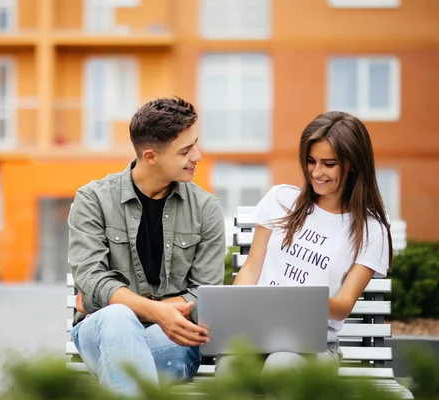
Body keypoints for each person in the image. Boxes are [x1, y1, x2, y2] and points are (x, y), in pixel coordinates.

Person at [68, 96, 226, 396]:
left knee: (118, 323)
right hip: (100, 332)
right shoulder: (93, 200)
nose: (198, 155)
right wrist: (160, 311)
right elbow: (92, 280)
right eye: (186, 150)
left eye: (196, 144)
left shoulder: (206, 208)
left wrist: (119, 303)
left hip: (174, 342)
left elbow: (204, 294)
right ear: (151, 156)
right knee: (117, 319)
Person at [219, 111, 393, 378]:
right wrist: (237, 310)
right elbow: (251, 271)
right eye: (311, 161)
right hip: (258, 331)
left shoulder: (371, 230)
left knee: (281, 367)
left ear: (354, 164)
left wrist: (300, 302)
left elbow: (344, 304)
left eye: (329, 164)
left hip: (315, 344)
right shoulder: (280, 199)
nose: (316, 172)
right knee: (231, 368)